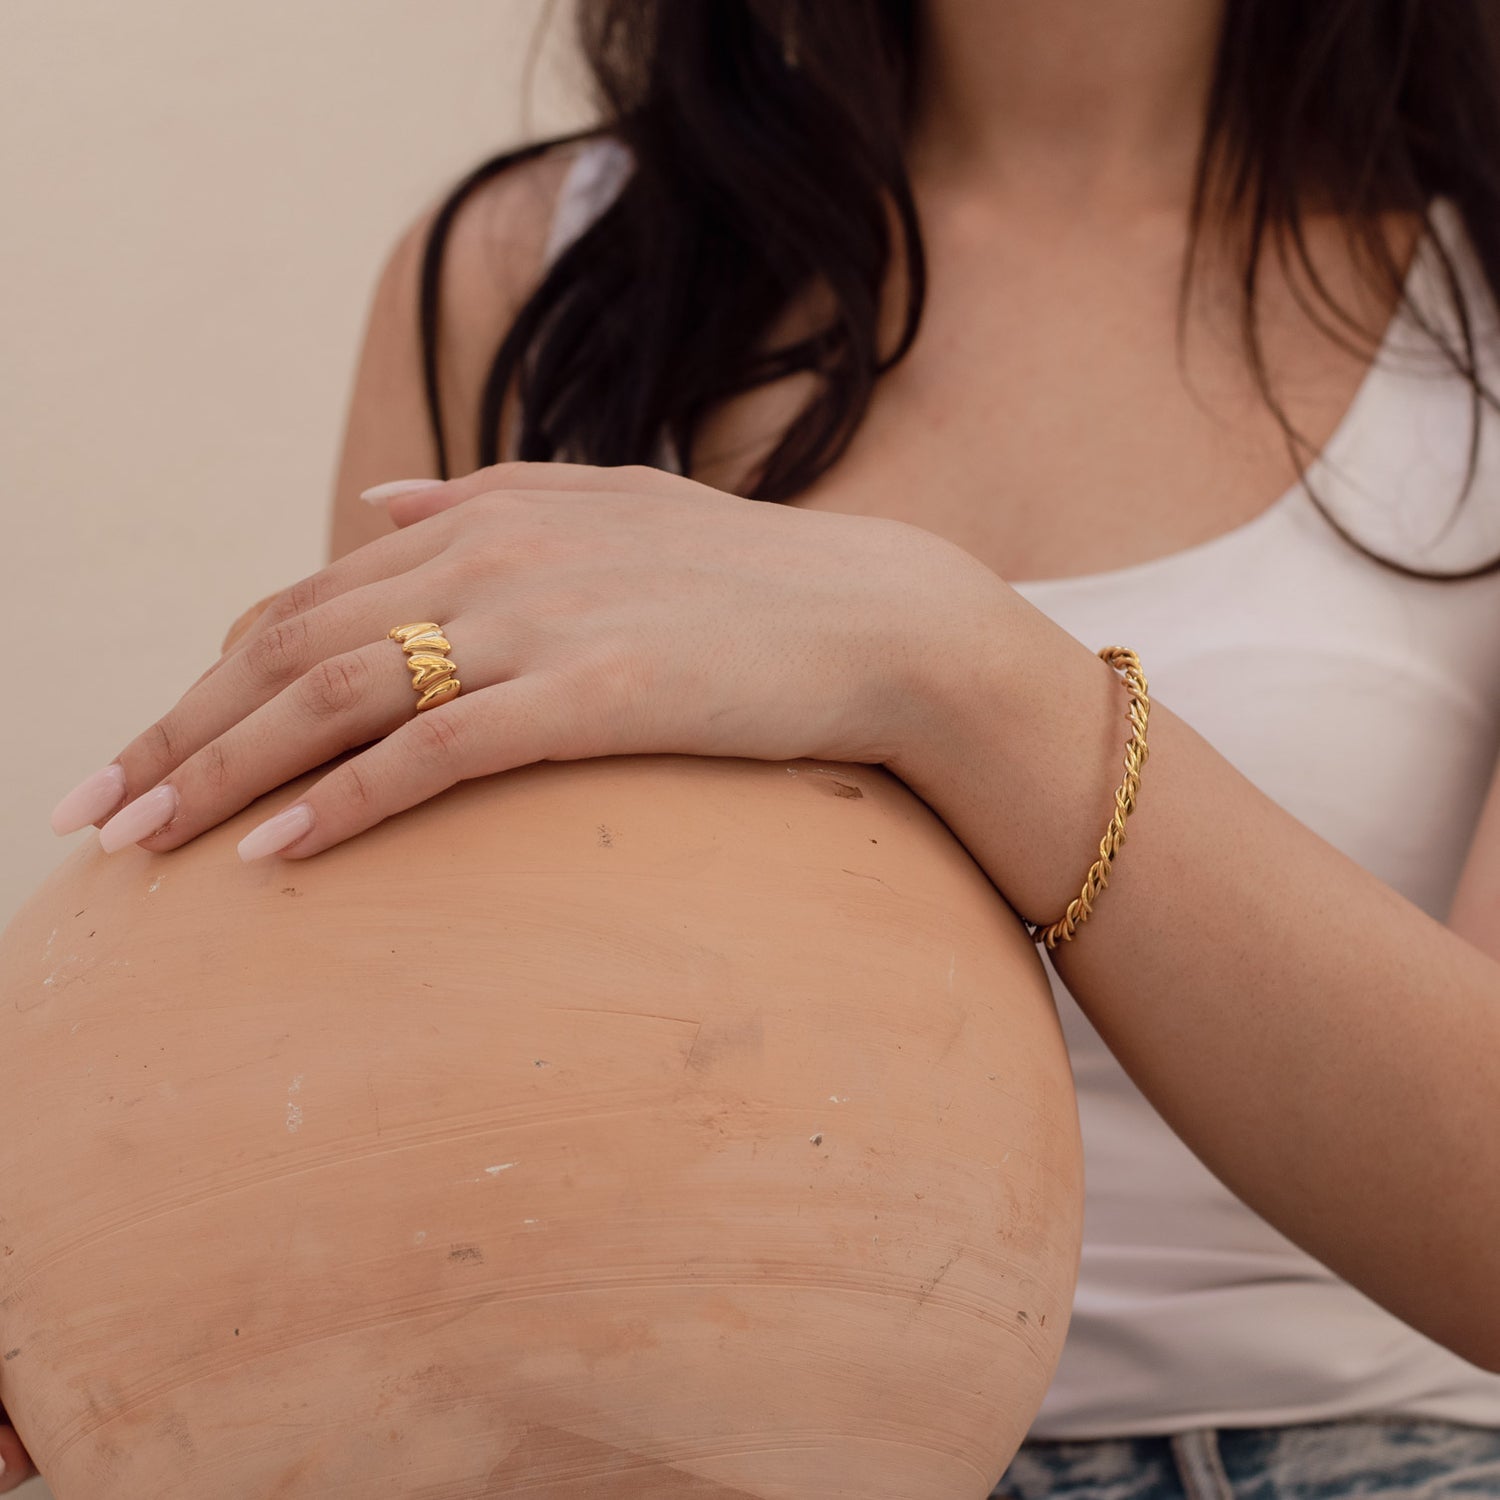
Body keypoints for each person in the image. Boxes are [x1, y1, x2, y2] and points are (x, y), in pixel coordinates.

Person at [14, 1, 1500, 1494]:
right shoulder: (535, 269)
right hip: (657, 1449)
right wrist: (105, 1294)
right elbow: (350, 1024)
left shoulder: (1478, 300)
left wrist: (960, 667)